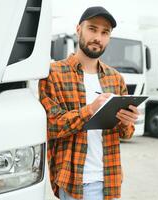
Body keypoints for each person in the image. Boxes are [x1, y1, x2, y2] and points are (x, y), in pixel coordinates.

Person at [39, 6, 139, 200]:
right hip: (75, 182)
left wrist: (127, 122)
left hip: (110, 181)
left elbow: (126, 135)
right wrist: (90, 110)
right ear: (78, 29)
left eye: (105, 32)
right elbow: (50, 126)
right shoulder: (53, 74)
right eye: (92, 29)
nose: (98, 38)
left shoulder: (115, 78)